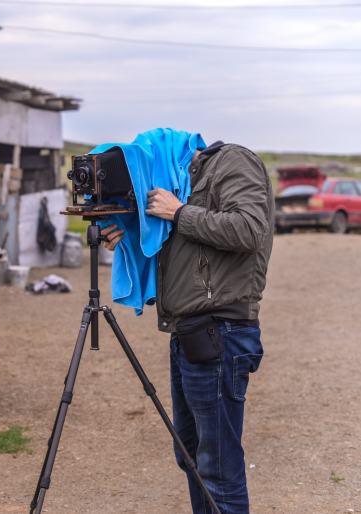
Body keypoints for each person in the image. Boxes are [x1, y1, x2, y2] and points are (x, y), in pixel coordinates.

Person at [101, 141, 274, 514]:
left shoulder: (232, 160)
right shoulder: (186, 187)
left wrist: (180, 213)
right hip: (191, 332)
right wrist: (129, 238)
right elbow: (192, 254)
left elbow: (249, 230)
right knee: (192, 457)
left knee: (217, 466)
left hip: (221, 331)